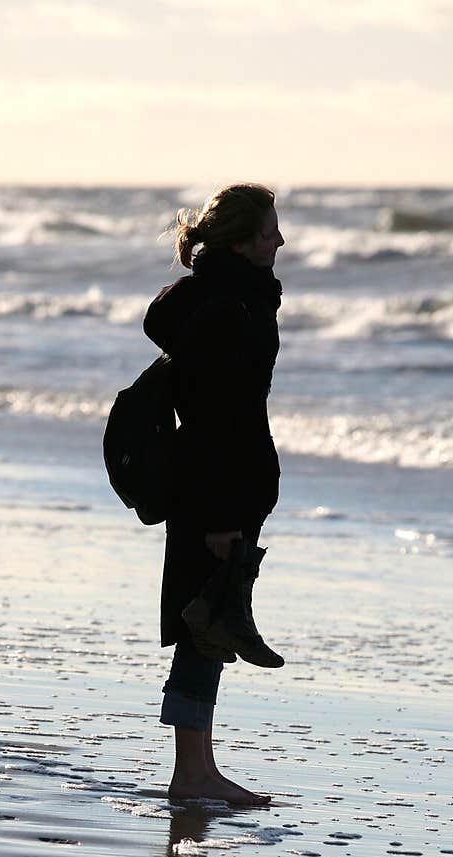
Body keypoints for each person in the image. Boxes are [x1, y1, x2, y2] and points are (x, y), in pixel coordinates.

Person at [143, 182, 285, 804]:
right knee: (207, 626)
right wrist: (222, 514)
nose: (279, 240)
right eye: (269, 231)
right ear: (241, 239)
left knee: (213, 623)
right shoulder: (228, 306)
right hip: (217, 485)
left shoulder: (219, 297)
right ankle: (191, 772)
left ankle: (195, 768)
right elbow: (219, 413)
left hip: (216, 479)